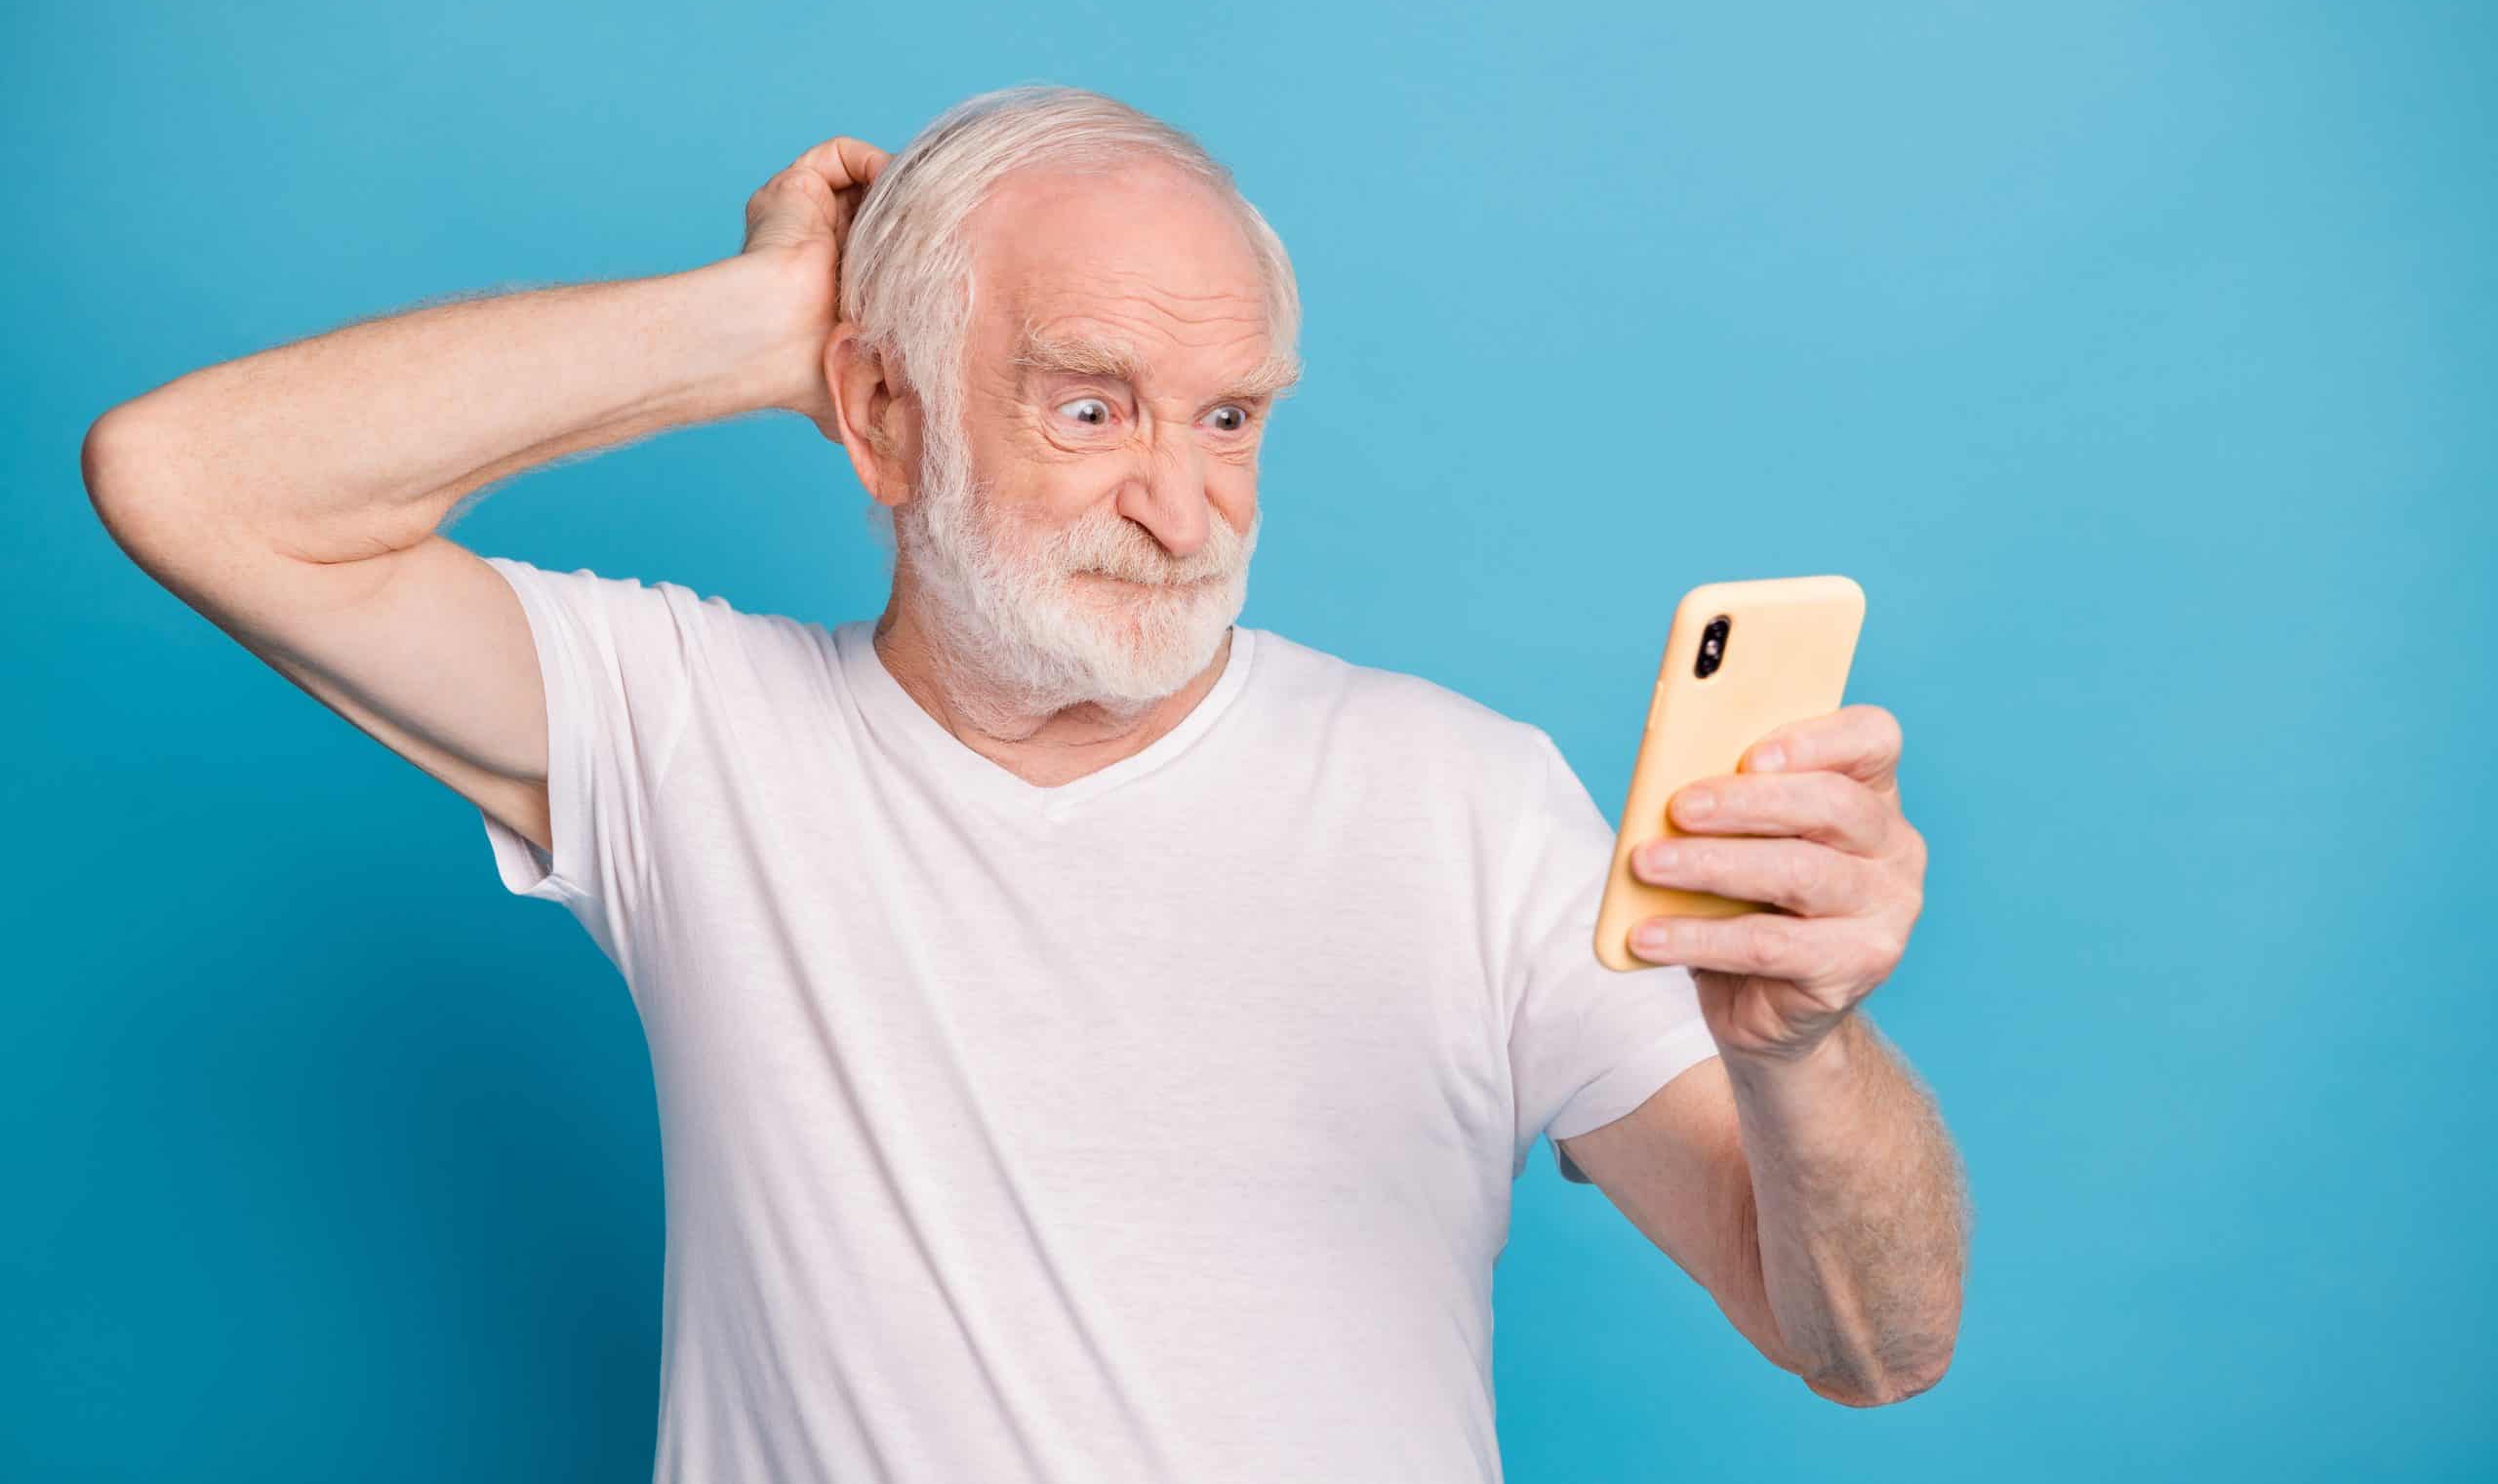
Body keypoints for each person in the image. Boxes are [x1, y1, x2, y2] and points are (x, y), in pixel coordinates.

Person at [81, 84, 1968, 1482]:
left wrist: (1802, 1050)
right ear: (883, 417)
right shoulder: (693, 739)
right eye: (1091, 406)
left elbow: (1872, 1347)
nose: (1182, 504)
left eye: (1231, 420)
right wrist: (752, 330)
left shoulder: (1464, 798)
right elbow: (196, 483)